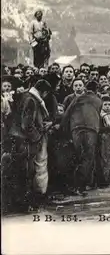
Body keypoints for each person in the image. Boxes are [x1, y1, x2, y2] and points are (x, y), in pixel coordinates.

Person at [7, 79, 53, 212]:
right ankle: (23, 204)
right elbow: (27, 124)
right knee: (27, 172)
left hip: (19, 138)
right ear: (43, 92)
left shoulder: (26, 96)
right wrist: (37, 137)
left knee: (23, 171)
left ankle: (22, 203)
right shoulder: (31, 100)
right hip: (25, 140)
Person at [60, 80, 102, 195]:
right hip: (91, 129)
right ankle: (80, 185)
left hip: (76, 128)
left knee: (79, 155)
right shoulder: (98, 100)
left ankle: (77, 185)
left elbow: (67, 114)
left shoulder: (77, 98)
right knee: (88, 156)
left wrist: (62, 130)